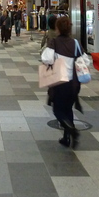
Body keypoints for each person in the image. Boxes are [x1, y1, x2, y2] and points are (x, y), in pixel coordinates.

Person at [40, 15, 83, 149]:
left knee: (58, 110)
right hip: (74, 84)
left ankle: (71, 129)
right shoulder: (75, 43)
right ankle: (66, 138)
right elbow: (84, 60)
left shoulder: (54, 42)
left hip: (59, 82)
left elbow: (46, 59)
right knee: (68, 108)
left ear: (58, 28)